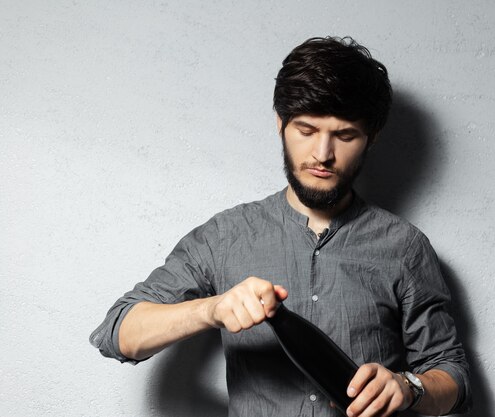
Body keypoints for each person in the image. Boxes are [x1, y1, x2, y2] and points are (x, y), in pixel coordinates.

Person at [90, 36, 471, 417]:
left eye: (344, 135)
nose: (323, 155)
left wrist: (410, 386)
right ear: (280, 124)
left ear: (371, 138)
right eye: (306, 131)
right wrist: (212, 310)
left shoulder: (405, 247)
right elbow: (118, 334)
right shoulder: (226, 235)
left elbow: (454, 378)